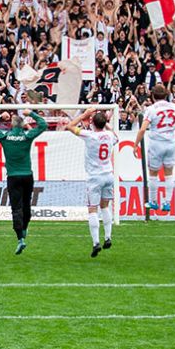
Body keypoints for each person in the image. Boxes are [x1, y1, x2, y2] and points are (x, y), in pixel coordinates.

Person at [0, 109, 47, 254]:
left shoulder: (5, 137)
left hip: (13, 176)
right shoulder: (27, 136)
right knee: (26, 204)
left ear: (11, 125)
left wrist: (0, 117)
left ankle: (20, 239)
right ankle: (24, 228)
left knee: (16, 208)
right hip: (27, 175)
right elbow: (43, 125)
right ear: (22, 125)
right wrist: (31, 113)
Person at [65, 109, 118, 258]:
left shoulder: (89, 136)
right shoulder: (109, 135)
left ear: (92, 123)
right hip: (108, 175)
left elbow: (69, 127)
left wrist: (84, 114)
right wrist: (106, 124)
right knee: (105, 206)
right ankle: (108, 237)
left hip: (94, 177)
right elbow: (117, 137)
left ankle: (96, 242)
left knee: (93, 209)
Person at [133, 84, 175, 214]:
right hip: (170, 143)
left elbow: (142, 129)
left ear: (153, 96)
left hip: (156, 143)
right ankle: (167, 202)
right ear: (166, 95)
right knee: (169, 173)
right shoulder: (173, 107)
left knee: (153, 173)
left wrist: (136, 144)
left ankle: (153, 201)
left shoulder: (151, 109)